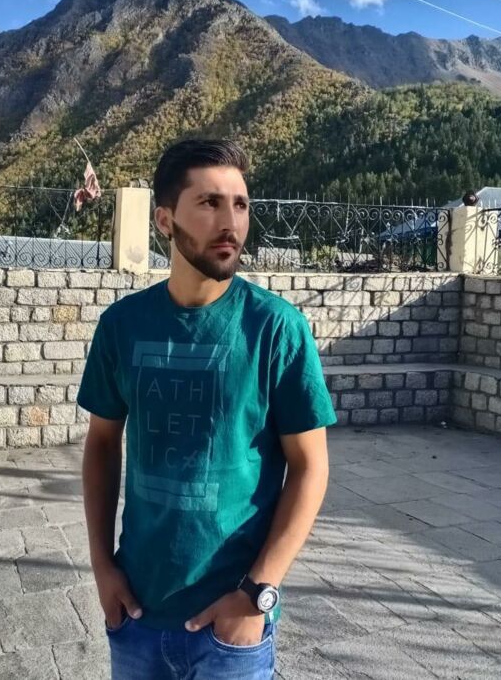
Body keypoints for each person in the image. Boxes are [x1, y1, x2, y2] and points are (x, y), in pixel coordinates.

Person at [78, 139, 336, 679]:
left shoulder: (276, 329)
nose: (230, 223)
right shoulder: (122, 326)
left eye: (240, 205)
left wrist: (258, 592)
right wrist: (103, 567)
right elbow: (102, 442)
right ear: (165, 221)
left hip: (232, 624)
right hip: (138, 615)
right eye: (210, 203)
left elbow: (310, 467)